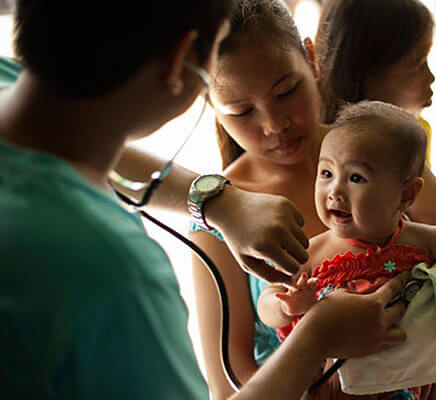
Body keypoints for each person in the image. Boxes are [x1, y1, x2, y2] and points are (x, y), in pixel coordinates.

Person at [0, 1, 413, 398]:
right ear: (182, 65)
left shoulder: (12, 85)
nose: (272, 124)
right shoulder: (113, 277)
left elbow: (75, 134)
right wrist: (315, 338)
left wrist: (217, 201)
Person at [115, 1, 436, 398]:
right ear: (209, 105)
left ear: (312, 59)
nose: (274, 124)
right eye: (242, 111)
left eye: (286, 91)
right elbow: (228, 378)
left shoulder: (381, 156)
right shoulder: (213, 216)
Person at [258, 101, 436, 400]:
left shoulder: (422, 241)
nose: (335, 190)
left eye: (356, 178)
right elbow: (267, 301)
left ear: (406, 194)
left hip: (413, 385)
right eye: (326, 173)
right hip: (336, 390)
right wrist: (287, 306)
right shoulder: (313, 252)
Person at [315, 0, 435, 168]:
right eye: (419, 65)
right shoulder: (385, 149)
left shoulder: (417, 129)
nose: (431, 77)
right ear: (366, 78)